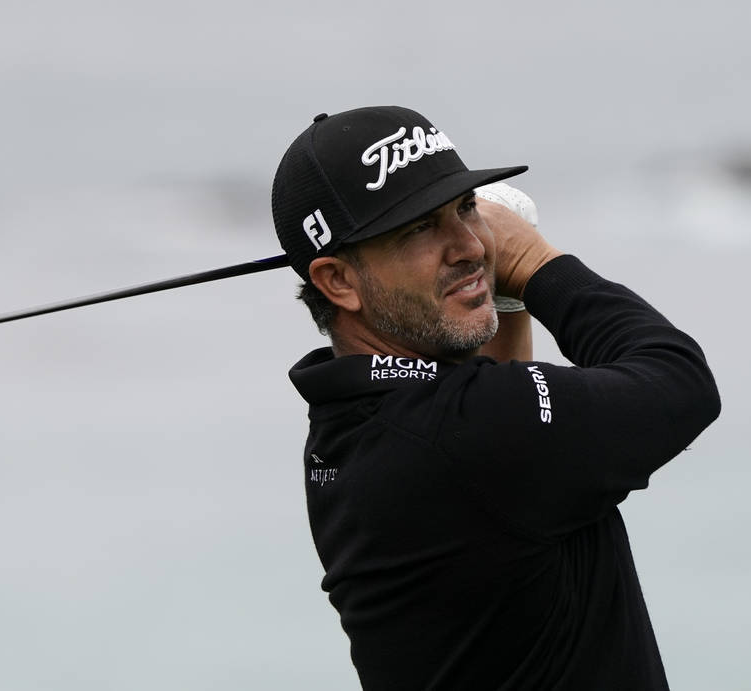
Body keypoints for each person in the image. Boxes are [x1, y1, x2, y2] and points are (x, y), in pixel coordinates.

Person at [271, 105, 721, 690]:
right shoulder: (463, 434)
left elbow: (499, 420)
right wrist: (535, 265)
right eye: (418, 229)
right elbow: (679, 383)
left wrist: (499, 302)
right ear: (338, 281)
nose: (470, 245)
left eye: (463, 209)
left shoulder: (352, 422)